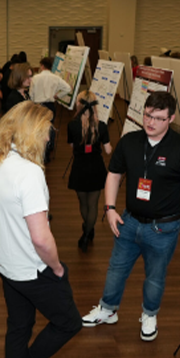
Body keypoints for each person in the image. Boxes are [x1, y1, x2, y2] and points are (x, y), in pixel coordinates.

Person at [81, 91, 180, 341]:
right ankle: (107, 310)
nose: (150, 122)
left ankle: (149, 315)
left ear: (171, 119)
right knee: (116, 269)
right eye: (147, 115)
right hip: (129, 221)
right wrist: (110, 208)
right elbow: (114, 174)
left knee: (155, 277)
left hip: (163, 229)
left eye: (158, 118)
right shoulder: (129, 141)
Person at [0, 101, 81, 358]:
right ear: (34, 132)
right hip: (31, 268)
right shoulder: (29, 173)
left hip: (4, 262)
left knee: (19, 326)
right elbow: (41, 238)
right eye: (48, 130)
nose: (51, 137)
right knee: (69, 322)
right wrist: (58, 267)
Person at [67, 91, 112, 252]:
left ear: (78, 104)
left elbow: (72, 146)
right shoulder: (102, 126)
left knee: (83, 203)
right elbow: (107, 151)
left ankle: (87, 228)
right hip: (96, 168)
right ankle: (87, 233)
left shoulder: (72, 125)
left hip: (79, 167)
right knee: (93, 204)